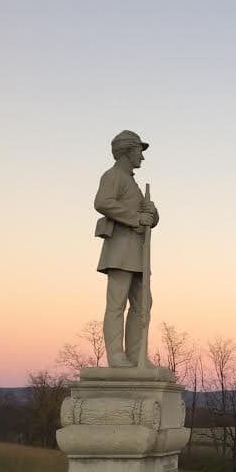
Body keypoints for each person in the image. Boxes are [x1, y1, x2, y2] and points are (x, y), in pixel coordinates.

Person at [94, 130, 159, 367]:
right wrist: (136, 217)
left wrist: (151, 213)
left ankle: (136, 355)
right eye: (139, 151)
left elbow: (146, 217)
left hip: (137, 252)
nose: (142, 157)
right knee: (117, 304)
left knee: (143, 304)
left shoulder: (131, 182)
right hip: (120, 251)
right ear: (127, 150)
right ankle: (116, 356)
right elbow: (102, 202)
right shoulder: (113, 176)